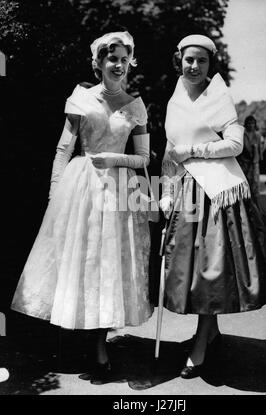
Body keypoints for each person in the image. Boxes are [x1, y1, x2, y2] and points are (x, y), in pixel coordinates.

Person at [11, 31, 153, 383]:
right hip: (80, 190)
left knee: (108, 266)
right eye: (111, 58)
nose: (117, 65)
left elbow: (144, 159)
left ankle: (100, 350)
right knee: (79, 262)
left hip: (119, 193)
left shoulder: (136, 106)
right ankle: (71, 340)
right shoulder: (80, 99)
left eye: (123, 58)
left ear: (129, 62)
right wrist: (54, 196)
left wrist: (112, 159)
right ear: (98, 62)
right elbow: (63, 150)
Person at [160, 34, 266, 379]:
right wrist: (167, 189)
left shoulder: (219, 95)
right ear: (179, 59)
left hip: (218, 192)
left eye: (201, 60)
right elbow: (171, 150)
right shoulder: (175, 98)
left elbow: (234, 143)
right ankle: (209, 332)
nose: (194, 66)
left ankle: (200, 345)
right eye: (189, 60)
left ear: (209, 63)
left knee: (209, 271)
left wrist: (194, 151)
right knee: (193, 271)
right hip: (187, 192)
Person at [237, 115, 261, 204]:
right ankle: (244, 203)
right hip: (243, 161)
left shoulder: (257, 135)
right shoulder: (242, 134)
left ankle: (253, 204)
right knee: (244, 182)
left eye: (253, 123)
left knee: (254, 184)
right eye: (249, 123)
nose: (251, 125)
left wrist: (259, 160)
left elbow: (259, 148)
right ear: (246, 124)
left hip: (254, 162)